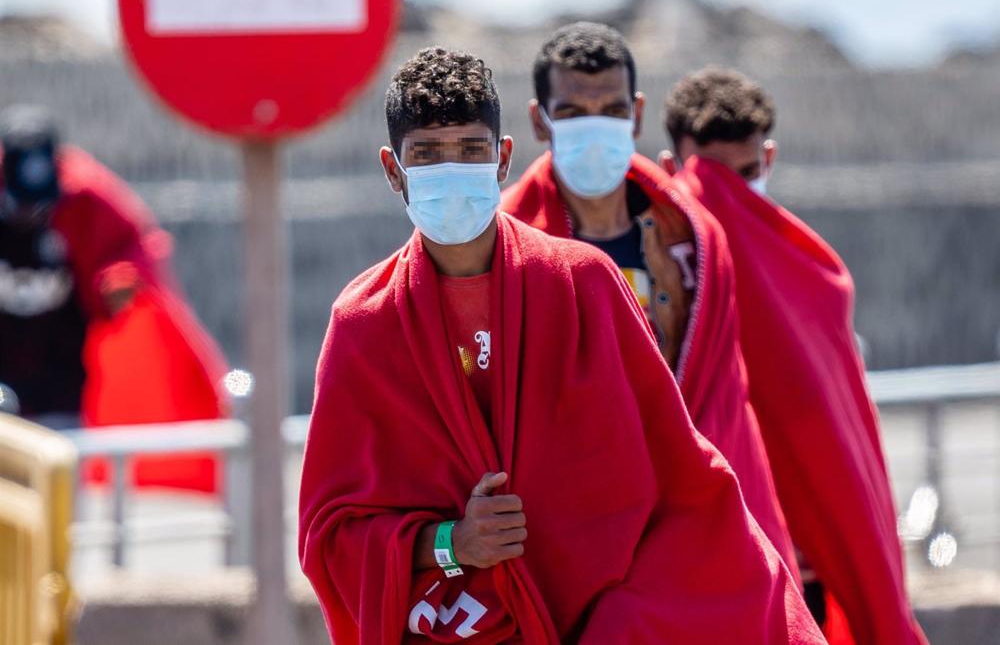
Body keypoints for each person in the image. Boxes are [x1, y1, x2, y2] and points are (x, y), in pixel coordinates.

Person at [298, 47, 823, 643]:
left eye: (470, 151)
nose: (451, 170)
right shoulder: (364, 322)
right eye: (427, 155)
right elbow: (330, 535)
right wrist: (452, 544)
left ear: (502, 160)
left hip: (596, 619)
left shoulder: (583, 284)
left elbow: (676, 477)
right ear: (394, 170)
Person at [500, 22, 798, 582]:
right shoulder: (508, 244)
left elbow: (723, 398)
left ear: (636, 114)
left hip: (697, 512)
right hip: (579, 533)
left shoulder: (693, 237)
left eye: (611, 111)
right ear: (540, 120)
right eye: (572, 113)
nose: (596, 129)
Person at [661, 67, 927, 645]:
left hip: (805, 558)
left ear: (770, 159)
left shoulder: (809, 272)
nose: (729, 199)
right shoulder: (651, 282)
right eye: (713, 179)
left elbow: (838, 432)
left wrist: (826, 529)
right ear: (669, 170)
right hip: (708, 550)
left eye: (746, 174)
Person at [0, 105, 228, 492]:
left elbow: (135, 249)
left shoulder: (86, 197)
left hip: (62, 378)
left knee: (58, 492)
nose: (31, 215)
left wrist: (119, 284)